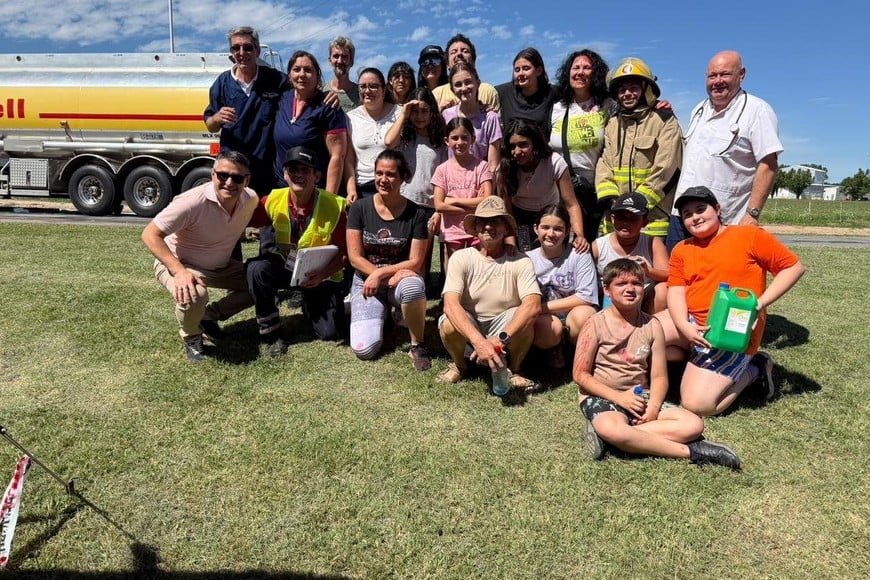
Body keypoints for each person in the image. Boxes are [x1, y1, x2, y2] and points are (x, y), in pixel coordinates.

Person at [573, 258, 741, 469]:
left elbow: (659, 376)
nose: (629, 289)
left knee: (693, 425)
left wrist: (653, 408)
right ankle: (692, 451)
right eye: (621, 284)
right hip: (603, 395)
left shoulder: (652, 325)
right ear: (606, 290)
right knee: (612, 428)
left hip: (639, 395)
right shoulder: (594, 324)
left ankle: (614, 438)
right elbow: (580, 375)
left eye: (636, 283)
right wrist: (619, 398)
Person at [656, 186, 805, 416]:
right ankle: (689, 359)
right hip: (691, 321)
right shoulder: (681, 249)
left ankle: (755, 368)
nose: (695, 217)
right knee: (643, 336)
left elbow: (793, 268)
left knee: (698, 405)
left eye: (700, 209)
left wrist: (758, 305)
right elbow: (676, 292)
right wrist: (684, 326)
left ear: (717, 209)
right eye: (687, 214)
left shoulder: (749, 236)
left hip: (731, 331)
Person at [142, 151, 258, 362]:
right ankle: (191, 336)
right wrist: (179, 272)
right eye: (223, 175)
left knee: (261, 282)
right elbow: (150, 234)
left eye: (237, 178)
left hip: (219, 266)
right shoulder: (191, 202)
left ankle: (208, 316)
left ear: (246, 180)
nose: (229, 182)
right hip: (179, 264)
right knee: (194, 295)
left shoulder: (250, 199)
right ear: (213, 175)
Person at [667, 50, 782, 251]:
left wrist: (752, 214)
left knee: (718, 272)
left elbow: (769, 164)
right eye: (712, 76)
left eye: (725, 74)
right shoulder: (699, 110)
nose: (717, 81)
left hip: (724, 221)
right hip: (683, 216)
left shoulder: (757, 110)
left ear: (741, 74)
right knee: (677, 269)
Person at [246, 146, 348, 357]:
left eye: (305, 170)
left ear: (316, 176)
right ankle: (270, 331)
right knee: (256, 268)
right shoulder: (272, 199)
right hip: (286, 267)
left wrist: (322, 275)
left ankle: (310, 304)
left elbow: (345, 254)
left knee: (330, 334)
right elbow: (243, 218)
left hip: (320, 276)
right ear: (284, 175)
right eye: (293, 170)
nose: (298, 175)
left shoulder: (334, 205)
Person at [437, 196, 541, 392]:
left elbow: (533, 304)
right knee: (449, 323)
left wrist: (500, 339)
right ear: (475, 228)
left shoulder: (521, 261)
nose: (488, 227)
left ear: (505, 228)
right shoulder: (461, 257)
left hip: (504, 327)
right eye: (482, 222)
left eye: (495, 221)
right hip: (470, 324)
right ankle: (460, 365)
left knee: (526, 319)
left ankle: (514, 369)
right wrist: (479, 342)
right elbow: (450, 304)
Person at [346, 150, 431, 371]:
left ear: (403, 178)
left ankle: (417, 344)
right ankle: (383, 314)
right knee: (365, 350)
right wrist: (375, 275)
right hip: (367, 282)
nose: (383, 179)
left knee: (413, 287)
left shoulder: (417, 214)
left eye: (391, 174)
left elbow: (416, 261)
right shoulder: (359, 208)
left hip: (398, 280)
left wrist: (381, 274)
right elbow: (355, 258)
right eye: (379, 173)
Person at [595, 57, 682, 239]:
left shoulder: (664, 120)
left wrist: (637, 204)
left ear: (646, 90)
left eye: (633, 88)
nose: (627, 94)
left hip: (651, 222)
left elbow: (668, 168)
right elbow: (604, 164)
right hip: (615, 221)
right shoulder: (612, 123)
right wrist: (612, 202)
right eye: (622, 90)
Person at [204, 26, 284, 196]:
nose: (242, 53)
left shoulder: (275, 79)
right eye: (236, 48)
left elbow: (303, 87)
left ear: (257, 51)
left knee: (263, 213)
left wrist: (330, 94)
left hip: (265, 172)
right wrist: (216, 118)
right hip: (233, 174)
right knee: (232, 213)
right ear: (231, 52)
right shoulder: (222, 83)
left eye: (247, 47)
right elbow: (210, 125)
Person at [549, 49, 617, 244]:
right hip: (558, 191)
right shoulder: (557, 107)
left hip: (593, 192)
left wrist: (657, 104)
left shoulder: (608, 106)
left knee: (589, 244)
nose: (580, 72)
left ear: (596, 73)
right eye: (576, 67)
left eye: (587, 68)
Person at [384, 87, 447, 291]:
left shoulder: (440, 140)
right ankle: (403, 290)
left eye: (424, 111)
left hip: (430, 204)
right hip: (405, 201)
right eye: (415, 111)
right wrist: (404, 114)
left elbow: (445, 175)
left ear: (432, 112)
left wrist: (439, 210)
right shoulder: (405, 136)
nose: (420, 116)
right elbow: (388, 142)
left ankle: (421, 289)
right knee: (404, 253)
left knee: (422, 257)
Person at [526, 204, 599, 369]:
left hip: (571, 313)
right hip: (546, 318)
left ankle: (577, 351)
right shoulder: (527, 259)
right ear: (536, 229)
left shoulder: (579, 254)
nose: (551, 234)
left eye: (558, 229)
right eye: (545, 227)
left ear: (567, 232)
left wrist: (541, 307)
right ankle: (553, 348)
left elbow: (586, 296)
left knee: (585, 314)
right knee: (547, 327)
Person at [497, 120, 586, 253]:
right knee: (525, 254)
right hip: (520, 217)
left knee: (553, 253)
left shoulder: (554, 162)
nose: (517, 151)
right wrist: (510, 240)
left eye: (523, 145)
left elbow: (571, 204)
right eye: (512, 146)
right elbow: (506, 210)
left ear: (535, 143)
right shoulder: (505, 168)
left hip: (551, 213)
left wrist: (579, 235)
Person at [272, 51, 347, 194]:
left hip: (314, 190)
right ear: (289, 75)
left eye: (308, 70)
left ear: (317, 76)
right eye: (296, 69)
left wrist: (328, 198)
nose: (301, 74)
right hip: (283, 188)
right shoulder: (282, 99)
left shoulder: (328, 106)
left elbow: (337, 156)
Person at [432, 117, 493, 273]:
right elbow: (439, 205)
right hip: (452, 229)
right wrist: (474, 206)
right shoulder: (442, 170)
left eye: (465, 137)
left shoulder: (482, 167)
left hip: (477, 227)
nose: (460, 142)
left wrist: (452, 201)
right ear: (446, 141)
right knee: (454, 270)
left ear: (473, 139)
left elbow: (487, 201)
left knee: (479, 268)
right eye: (455, 138)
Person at [592, 192, 668, 314]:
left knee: (663, 289)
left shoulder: (653, 243)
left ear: (644, 222)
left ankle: (652, 322)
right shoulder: (598, 246)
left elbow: (668, 275)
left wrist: (647, 271)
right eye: (621, 217)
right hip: (610, 298)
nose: (626, 223)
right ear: (612, 219)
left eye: (633, 218)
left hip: (643, 296)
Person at [344, 68, 401, 203]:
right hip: (363, 188)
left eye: (373, 86)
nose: (367, 91)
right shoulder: (350, 118)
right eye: (363, 86)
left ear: (384, 90)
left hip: (394, 186)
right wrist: (351, 189)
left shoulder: (400, 113)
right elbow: (349, 159)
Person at [441, 62, 502, 174]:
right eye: (458, 84)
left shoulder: (490, 118)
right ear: (452, 89)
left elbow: (493, 165)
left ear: (478, 83)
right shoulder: (446, 116)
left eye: (468, 82)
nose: (464, 88)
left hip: (481, 181)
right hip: (452, 181)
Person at [496, 47, 556, 139]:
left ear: (539, 71)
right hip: (511, 147)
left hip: (541, 147)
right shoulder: (503, 92)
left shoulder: (552, 92)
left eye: (526, 68)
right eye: (517, 70)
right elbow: (482, 92)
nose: (520, 73)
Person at [432, 34, 500, 112]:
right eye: (453, 52)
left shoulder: (488, 91)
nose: (459, 54)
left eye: (465, 51)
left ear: (474, 61)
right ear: (447, 64)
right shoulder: (436, 94)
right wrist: (441, 114)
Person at [321, 36, 360, 112]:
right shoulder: (320, 91)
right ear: (330, 61)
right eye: (336, 56)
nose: (340, 61)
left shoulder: (360, 94)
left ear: (351, 61)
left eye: (344, 57)